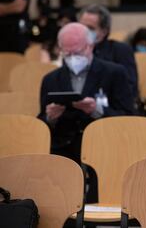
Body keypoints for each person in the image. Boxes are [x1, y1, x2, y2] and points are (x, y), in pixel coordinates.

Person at [38, 23, 136, 164]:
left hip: (105, 144)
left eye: (77, 53)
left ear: (90, 46)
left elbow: (129, 118)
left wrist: (96, 110)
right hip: (64, 147)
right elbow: (41, 123)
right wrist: (50, 117)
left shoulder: (114, 73)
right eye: (67, 53)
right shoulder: (51, 79)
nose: (73, 58)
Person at [79, 4, 140, 103]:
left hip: (113, 109)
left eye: (90, 28)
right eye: (81, 27)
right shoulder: (74, 51)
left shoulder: (121, 51)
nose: (84, 31)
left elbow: (130, 89)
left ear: (104, 31)